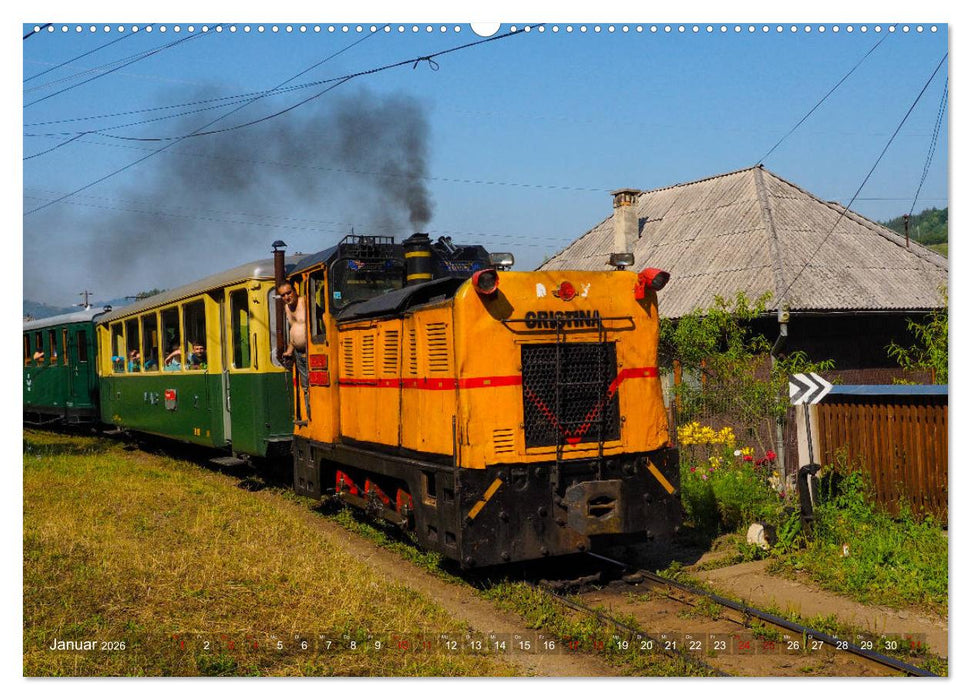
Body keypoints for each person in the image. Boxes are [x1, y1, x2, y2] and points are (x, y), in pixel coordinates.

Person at [277, 281, 310, 418]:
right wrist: (290, 349)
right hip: (298, 352)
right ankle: (310, 417)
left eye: (289, 292)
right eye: (283, 295)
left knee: (313, 385)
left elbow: (323, 317)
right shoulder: (287, 308)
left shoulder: (305, 302)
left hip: (310, 351)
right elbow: (294, 330)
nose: (286, 297)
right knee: (305, 387)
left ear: (295, 291)